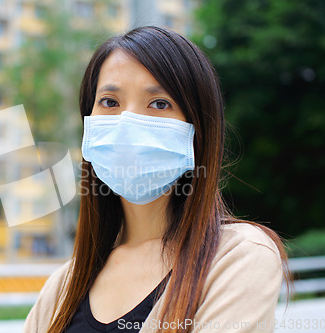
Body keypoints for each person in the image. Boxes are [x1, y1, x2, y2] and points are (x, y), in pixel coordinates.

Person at [23, 26, 291, 333]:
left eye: (159, 104)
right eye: (110, 102)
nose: (128, 123)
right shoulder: (66, 285)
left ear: (198, 130)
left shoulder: (239, 257)